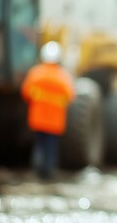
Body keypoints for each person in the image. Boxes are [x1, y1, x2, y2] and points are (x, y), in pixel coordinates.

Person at [22, 41, 75, 180]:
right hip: (54, 121)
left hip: (38, 119)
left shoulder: (36, 73)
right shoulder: (63, 76)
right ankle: (49, 174)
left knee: (40, 146)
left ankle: (38, 172)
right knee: (51, 149)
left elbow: (26, 92)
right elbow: (70, 96)